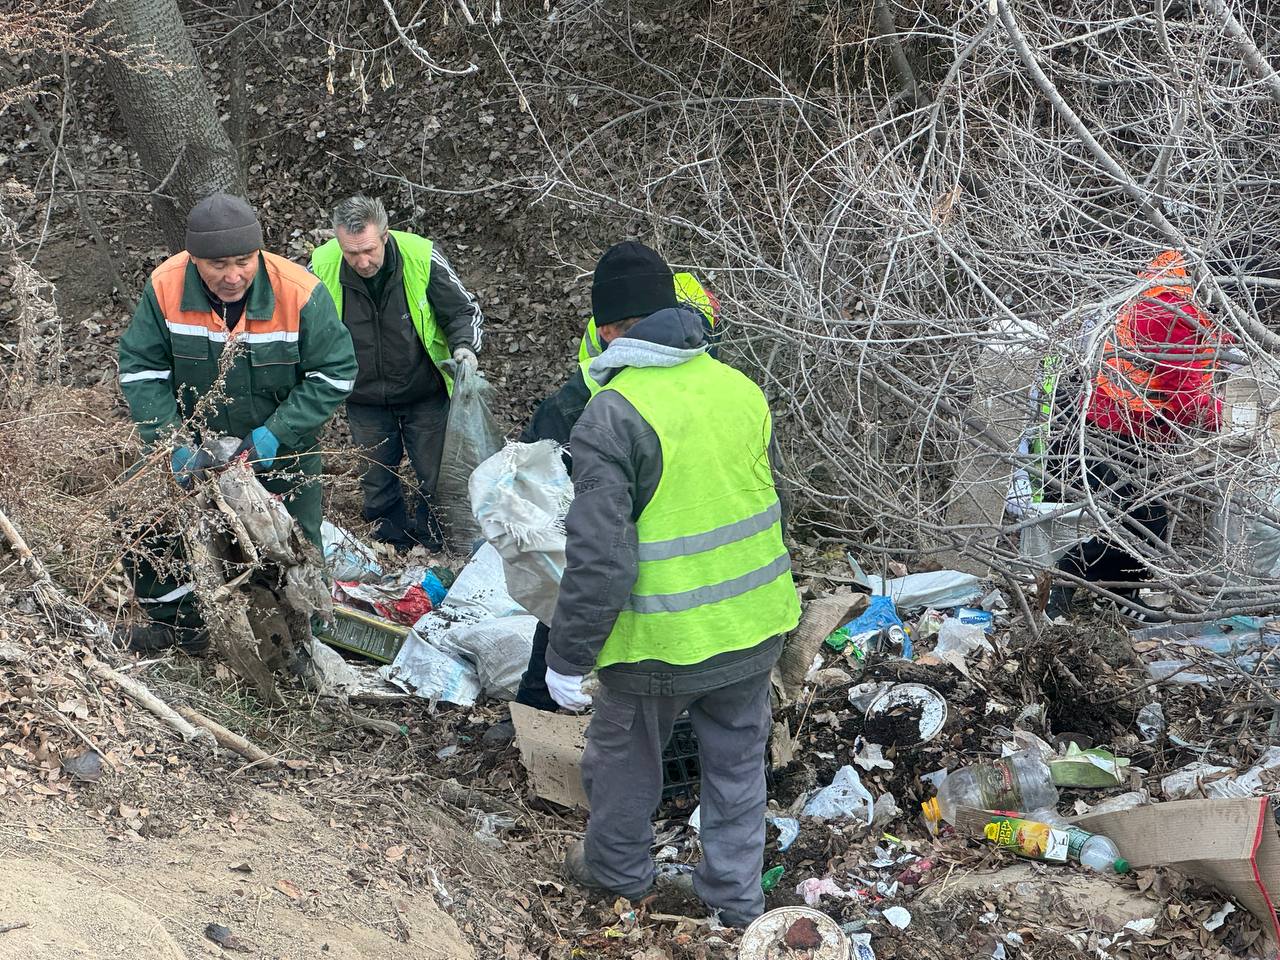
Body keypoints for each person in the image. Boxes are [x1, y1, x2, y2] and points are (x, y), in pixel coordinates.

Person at [543, 242, 800, 928]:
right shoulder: (740, 388)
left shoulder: (613, 413)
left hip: (659, 641)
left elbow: (601, 558)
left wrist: (567, 657)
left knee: (623, 765)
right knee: (737, 771)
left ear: (606, 329)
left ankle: (619, 877)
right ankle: (737, 901)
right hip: (753, 626)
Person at [118, 192, 357, 651]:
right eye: (218, 265)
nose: (233, 276)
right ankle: (183, 627)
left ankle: (298, 645)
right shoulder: (166, 286)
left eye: (244, 262)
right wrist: (170, 442)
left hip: (280, 449)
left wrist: (278, 433)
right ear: (194, 259)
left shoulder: (299, 291)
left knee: (294, 549)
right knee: (140, 517)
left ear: (259, 253)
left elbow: (336, 373)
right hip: (193, 447)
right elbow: (142, 370)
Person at [508, 269, 719, 715]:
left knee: (593, 573)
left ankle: (547, 694)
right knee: (585, 573)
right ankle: (538, 700)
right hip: (603, 414)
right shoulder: (669, 340)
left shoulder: (686, 308)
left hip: (644, 435)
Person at [1045, 249, 1227, 620]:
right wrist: (1226, 420)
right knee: (1145, 523)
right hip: (1125, 429)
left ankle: (1120, 596)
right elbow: (1186, 396)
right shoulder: (1177, 316)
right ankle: (1066, 574)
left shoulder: (1149, 298)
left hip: (1111, 424)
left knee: (1140, 520)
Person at [310, 196, 484, 552]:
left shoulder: (421, 257)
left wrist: (465, 347)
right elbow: (299, 323)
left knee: (435, 475)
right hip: (364, 397)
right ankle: (391, 544)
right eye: (351, 253)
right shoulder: (322, 265)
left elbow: (462, 311)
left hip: (424, 390)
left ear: (385, 236)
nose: (362, 262)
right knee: (376, 478)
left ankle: (435, 542)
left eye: (369, 250)